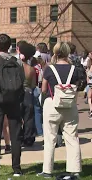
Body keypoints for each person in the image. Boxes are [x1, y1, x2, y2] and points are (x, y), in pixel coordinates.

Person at [37, 42, 81, 178]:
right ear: (68, 53)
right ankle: (75, 169)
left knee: (50, 138)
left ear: (55, 53)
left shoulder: (49, 69)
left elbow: (44, 89)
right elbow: (77, 87)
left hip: (52, 104)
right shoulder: (75, 69)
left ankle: (47, 170)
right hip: (70, 105)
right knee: (72, 138)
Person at [0, 34, 24, 177]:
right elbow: (22, 80)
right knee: (15, 135)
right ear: (10, 46)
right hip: (14, 100)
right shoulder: (18, 62)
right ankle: (17, 168)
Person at [19, 42, 37, 146]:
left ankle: (19, 136)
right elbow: (33, 84)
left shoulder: (17, 67)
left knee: (17, 117)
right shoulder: (31, 69)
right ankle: (29, 138)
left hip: (18, 93)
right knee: (29, 117)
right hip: (28, 93)